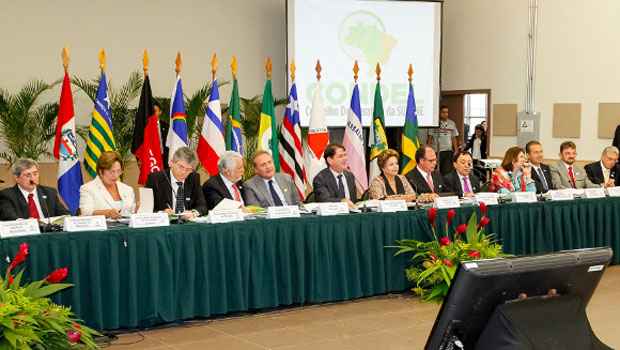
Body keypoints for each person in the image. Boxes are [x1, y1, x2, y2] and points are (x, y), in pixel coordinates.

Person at [145, 146, 208, 218]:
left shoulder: (194, 178)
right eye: (181, 167)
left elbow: (203, 205)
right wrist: (162, 213)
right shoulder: (155, 179)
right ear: (171, 163)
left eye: (188, 169)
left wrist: (193, 213)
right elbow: (146, 209)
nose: (184, 172)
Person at [0, 158, 70, 220]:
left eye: (35, 174)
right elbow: (10, 217)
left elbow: (64, 214)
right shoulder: (7, 195)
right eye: (28, 175)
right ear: (16, 178)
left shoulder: (49, 192)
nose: (32, 178)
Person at [79, 151, 135, 218]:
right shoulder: (88, 189)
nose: (116, 175)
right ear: (100, 171)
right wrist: (107, 213)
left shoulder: (127, 189)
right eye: (112, 171)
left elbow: (132, 212)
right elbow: (85, 212)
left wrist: (136, 210)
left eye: (118, 171)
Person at [427, 105, 459, 175]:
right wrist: (428, 150)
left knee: (447, 171)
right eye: (443, 112)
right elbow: (430, 137)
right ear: (439, 113)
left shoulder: (452, 123)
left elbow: (454, 137)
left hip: (448, 151)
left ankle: (445, 185)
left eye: (447, 112)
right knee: (435, 170)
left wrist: (456, 149)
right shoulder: (434, 123)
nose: (446, 114)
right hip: (436, 151)